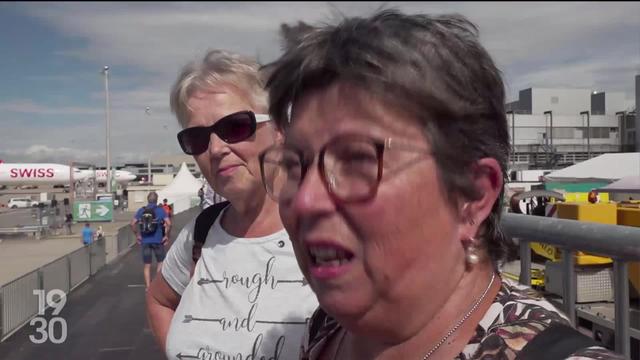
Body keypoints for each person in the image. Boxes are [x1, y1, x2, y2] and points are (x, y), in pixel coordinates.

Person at [259, 10, 624, 359]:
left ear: (472, 195)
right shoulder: (326, 330)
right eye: (295, 165)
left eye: (357, 160)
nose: (305, 199)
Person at [145, 49, 317, 359]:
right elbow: (159, 300)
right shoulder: (202, 232)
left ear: (279, 129)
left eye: (235, 127)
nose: (215, 149)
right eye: (197, 138)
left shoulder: (329, 229)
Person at [131, 191, 171, 289]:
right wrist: (166, 235)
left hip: (145, 241)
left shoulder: (141, 210)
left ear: (147, 200)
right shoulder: (161, 210)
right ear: (157, 200)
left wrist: (137, 235)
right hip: (158, 241)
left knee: (147, 265)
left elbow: (132, 223)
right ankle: (156, 285)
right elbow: (169, 224)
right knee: (160, 262)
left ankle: (148, 287)